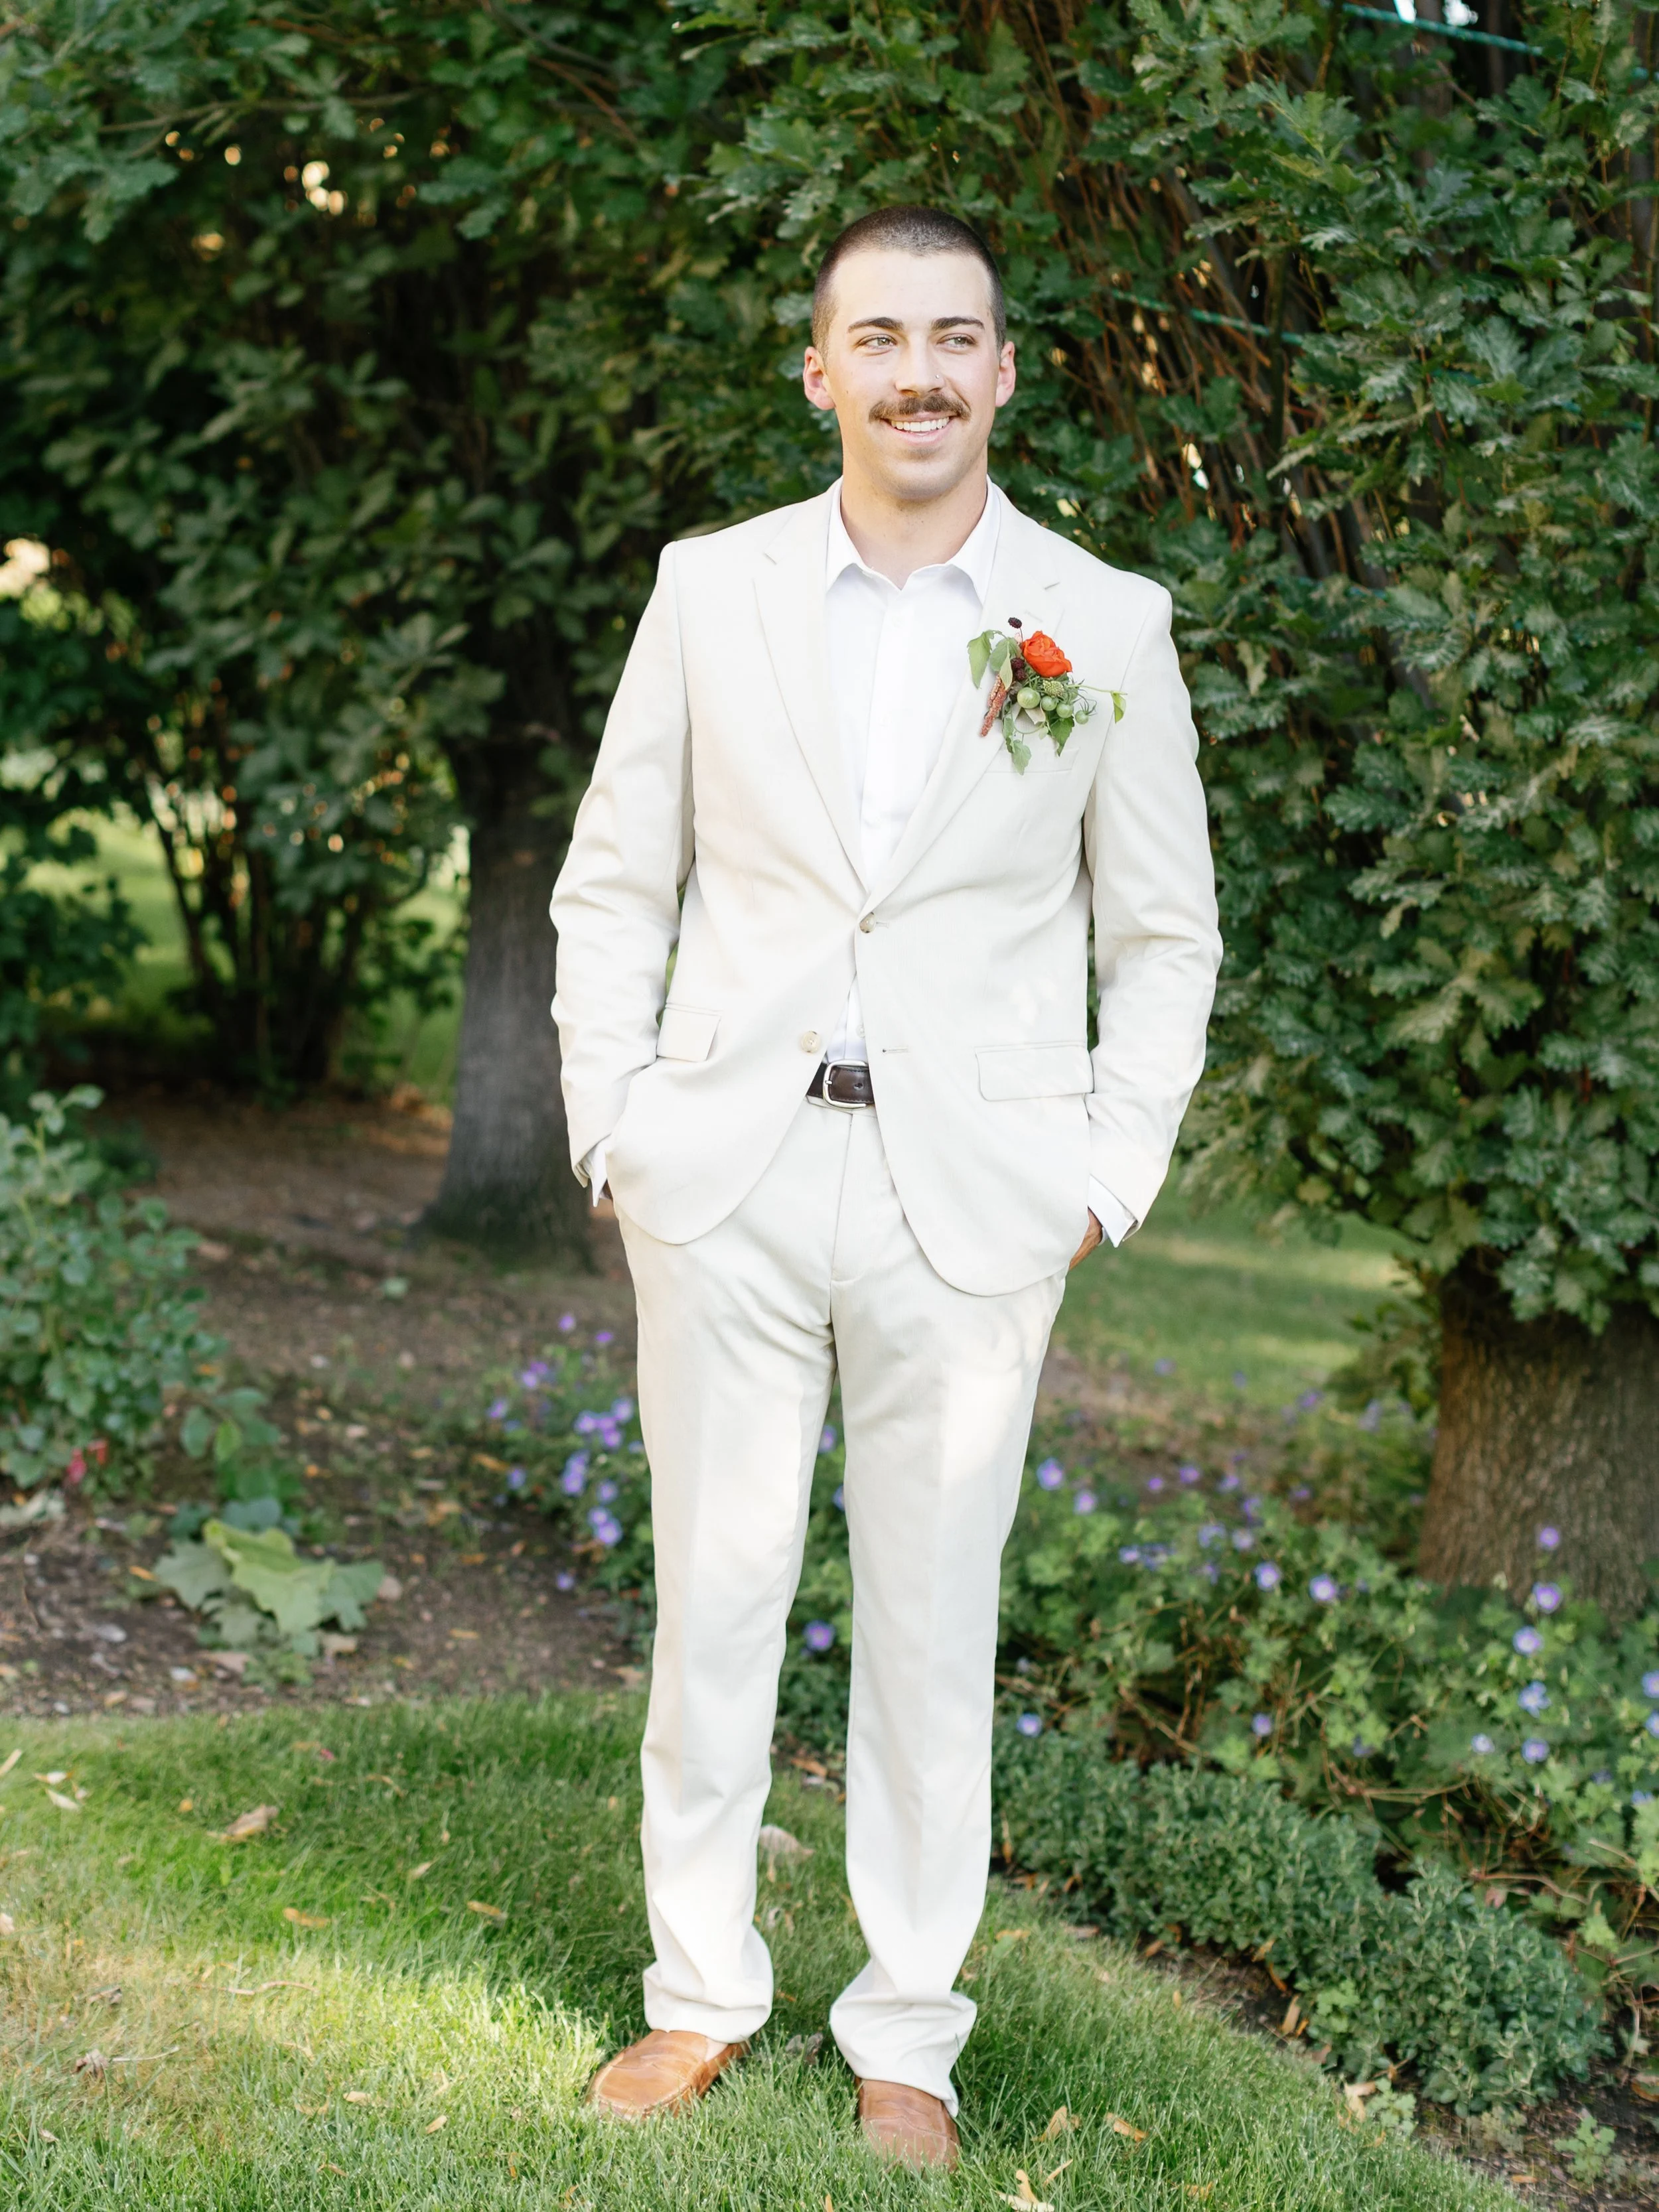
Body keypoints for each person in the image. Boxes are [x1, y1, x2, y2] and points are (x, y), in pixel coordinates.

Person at [549, 204, 1220, 2169]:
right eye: (878, 339)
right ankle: (698, 1992)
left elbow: (1163, 935)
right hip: (729, 1170)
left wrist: (1107, 1174)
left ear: (1003, 369)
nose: (916, 374)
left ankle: (907, 2028)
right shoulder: (710, 589)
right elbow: (617, 881)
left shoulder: (1103, 624)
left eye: (952, 339)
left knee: (932, 1622)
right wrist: (613, 1123)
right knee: (717, 1598)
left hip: (977, 1195)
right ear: (819, 370)